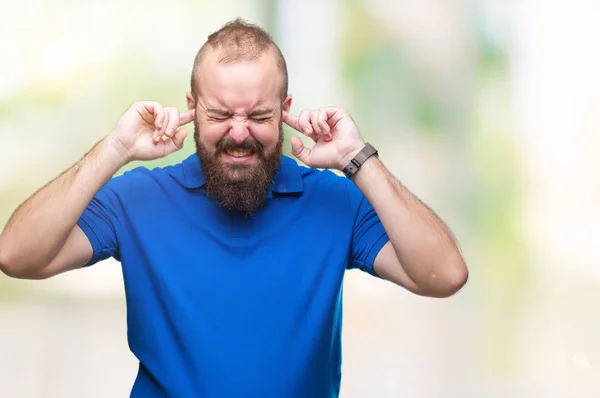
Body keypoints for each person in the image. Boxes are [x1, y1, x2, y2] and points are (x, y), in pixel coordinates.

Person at [0, 18, 468, 398]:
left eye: (259, 116)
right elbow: (17, 256)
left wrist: (356, 159)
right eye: (221, 114)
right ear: (193, 107)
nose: (239, 133)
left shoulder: (335, 202)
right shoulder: (136, 199)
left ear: (285, 109)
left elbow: (444, 275)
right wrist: (115, 148)